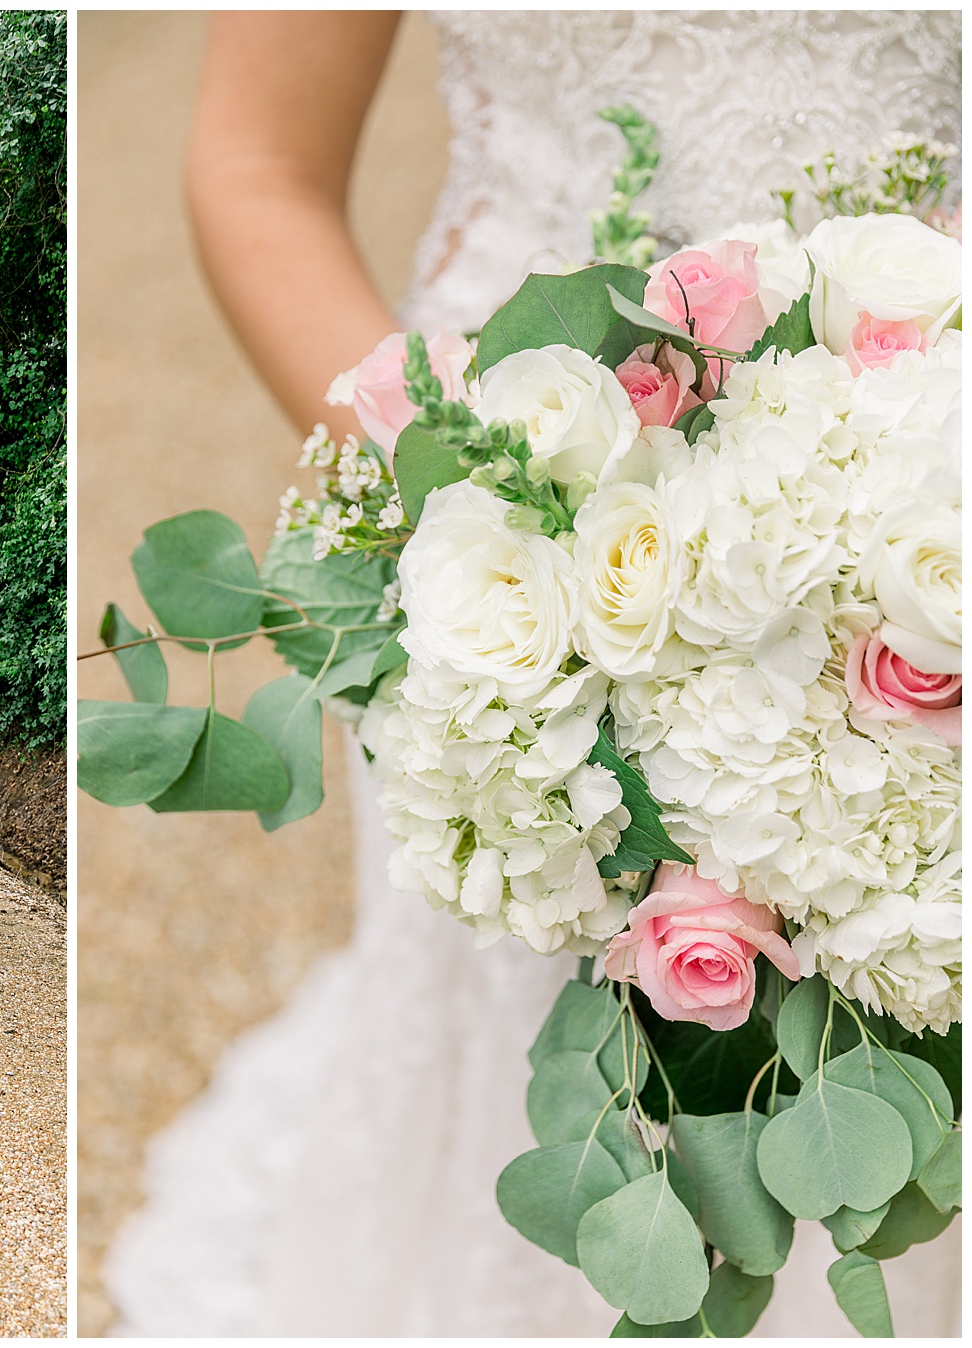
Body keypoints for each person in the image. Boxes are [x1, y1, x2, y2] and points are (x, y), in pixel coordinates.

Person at [104, 11, 962, 1337]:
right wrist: (479, 507)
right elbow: (257, 166)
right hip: (506, 487)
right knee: (538, 954)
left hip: (926, 488)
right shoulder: (492, 531)